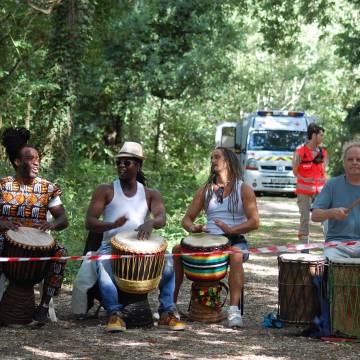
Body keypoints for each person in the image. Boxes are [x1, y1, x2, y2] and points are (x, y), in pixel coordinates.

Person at [85, 141, 185, 332]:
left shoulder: (150, 194)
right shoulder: (105, 190)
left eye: (127, 162)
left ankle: (167, 311)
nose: (122, 166)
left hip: (142, 248)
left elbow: (161, 218)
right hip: (110, 246)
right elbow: (89, 221)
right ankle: (115, 314)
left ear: (138, 165)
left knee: (170, 261)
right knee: (104, 267)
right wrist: (112, 225)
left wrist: (151, 223)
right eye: (119, 162)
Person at [173, 147, 260, 328]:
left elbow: (254, 222)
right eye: (212, 157)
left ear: (228, 161)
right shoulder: (205, 190)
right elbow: (186, 219)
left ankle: (233, 310)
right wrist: (193, 227)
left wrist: (231, 229)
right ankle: (170, 305)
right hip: (208, 241)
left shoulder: (243, 189)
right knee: (176, 251)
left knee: (236, 253)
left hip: (234, 240)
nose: (213, 160)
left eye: (217, 157)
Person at [0, 127, 69, 325]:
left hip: (38, 244)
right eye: (31, 158)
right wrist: (2, 222)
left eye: (38, 158)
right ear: (17, 162)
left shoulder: (47, 188)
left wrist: (52, 223)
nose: (36, 162)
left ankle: (44, 306)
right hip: (5, 240)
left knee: (61, 252)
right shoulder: (3, 186)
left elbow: (63, 219)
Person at [311, 140, 360, 259]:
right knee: (329, 262)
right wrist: (333, 212)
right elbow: (315, 216)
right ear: (343, 163)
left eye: (358, 159)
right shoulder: (332, 185)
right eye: (350, 159)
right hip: (336, 245)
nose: (354, 163)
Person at [293, 123, 328, 248]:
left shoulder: (324, 152)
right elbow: (295, 171)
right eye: (321, 135)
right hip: (304, 191)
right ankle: (304, 248)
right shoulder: (300, 152)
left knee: (326, 217)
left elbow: (324, 169)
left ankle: (329, 245)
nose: (322, 138)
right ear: (314, 135)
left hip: (321, 192)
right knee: (305, 219)